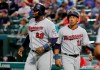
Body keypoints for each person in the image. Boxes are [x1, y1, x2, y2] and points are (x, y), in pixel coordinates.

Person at [18, 3, 58, 70]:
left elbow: (54, 39)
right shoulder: (31, 21)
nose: (33, 12)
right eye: (33, 10)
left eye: (35, 10)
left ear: (41, 12)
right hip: (32, 53)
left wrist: (44, 47)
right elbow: (29, 35)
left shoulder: (49, 23)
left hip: (45, 54)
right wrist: (23, 46)